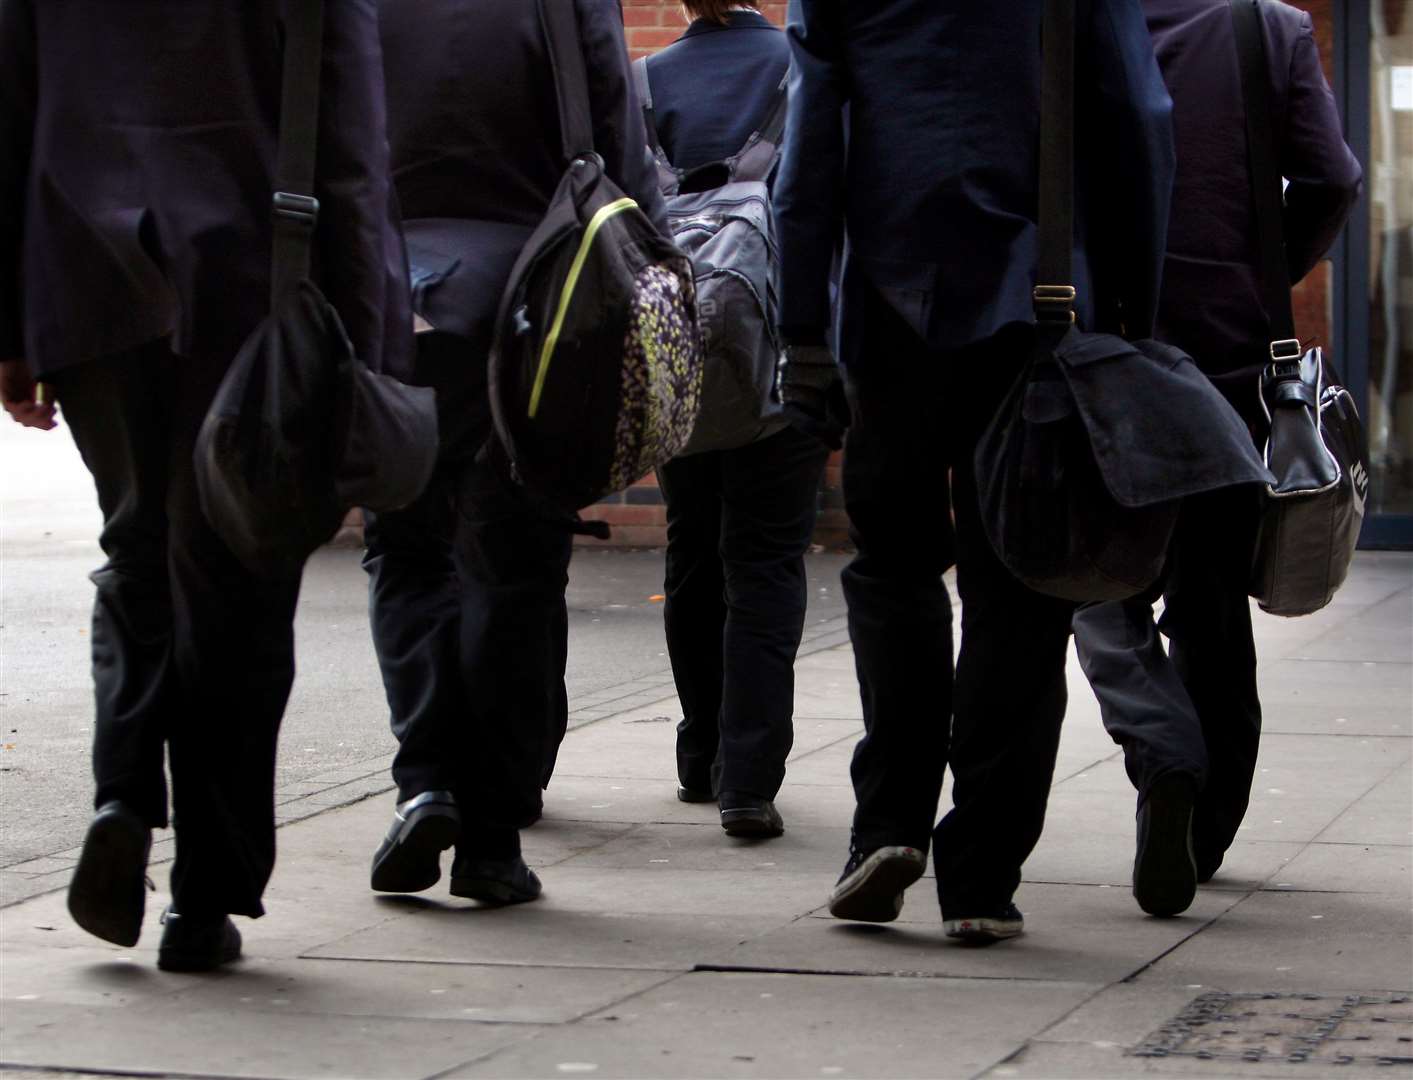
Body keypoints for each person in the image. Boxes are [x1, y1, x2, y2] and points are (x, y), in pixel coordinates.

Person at [0, 0, 408, 970]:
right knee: (242, 578)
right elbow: (350, 144)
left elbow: (10, 110)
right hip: (252, 282)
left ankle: (123, 795)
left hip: (87, 276)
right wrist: (367, 341)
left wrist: (12, 333)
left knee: (135, 544)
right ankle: (205, 895)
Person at [774, 0, 1175, 940]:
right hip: (1041, 303)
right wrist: (1134, 314)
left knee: (894, 568)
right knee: (1023, 585)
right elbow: (1141, 124)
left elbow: (809, 150)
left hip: (890, 304)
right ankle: (984, 873)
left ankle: (887, 824)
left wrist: (801, 325)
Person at [365, 0, 668, 903]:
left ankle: (425, 783)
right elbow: (615, 130)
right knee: (518, 559)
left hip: (395, 298)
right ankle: (493, 840)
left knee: (407, 544)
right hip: (538, 303)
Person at [1072, 0, 1361, 916]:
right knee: (1208, 604)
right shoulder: (1264, 29)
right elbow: (1329, 178)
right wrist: (1260, 275)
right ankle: (1206, 827)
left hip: (1105, 356)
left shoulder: (1070, 24)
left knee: (1095, 583)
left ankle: (1164, 755)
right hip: (1232, 356)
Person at [642, 1, 830, 839]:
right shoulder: (802, 65)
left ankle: (698, 750)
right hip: (785, 345)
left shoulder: (642, 82)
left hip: (677, 347)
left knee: (692, 543)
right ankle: (746, 781)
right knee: (765, 559)